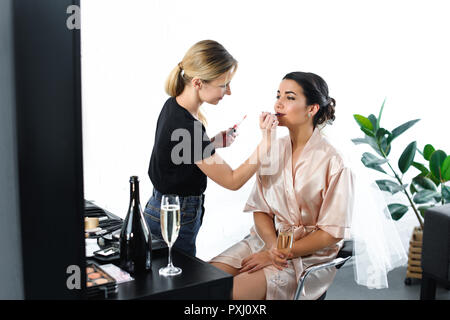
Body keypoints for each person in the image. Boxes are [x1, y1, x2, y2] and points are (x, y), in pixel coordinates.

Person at [210, 71, 355, 300]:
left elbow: (330, 234)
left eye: (289, 97)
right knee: (201, 283)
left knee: (229, 295)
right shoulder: (273, 148)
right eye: (278, 95)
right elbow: (260, 209)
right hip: (267, 241)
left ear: (312, 109)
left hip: (306, 255)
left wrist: (279, 252)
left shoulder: (335, 162)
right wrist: (271, 247)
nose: (278, 102)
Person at [145, 40, 278, 257]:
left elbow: (179, 153)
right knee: (178, 281)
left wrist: (212, 143)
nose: (229, 92)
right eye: (223, 84)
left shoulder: (174, 106)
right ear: (198, 83)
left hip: (161, 206)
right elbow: (232, 180)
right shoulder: (187, 128)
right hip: (173, 214)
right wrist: (266, 144)